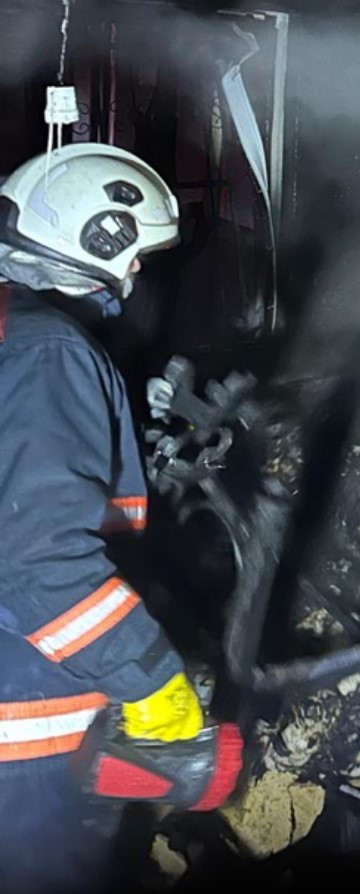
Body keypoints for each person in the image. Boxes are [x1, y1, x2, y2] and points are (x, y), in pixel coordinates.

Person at [0, 143, 239, 893]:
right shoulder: (50, 352)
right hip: (26, 746)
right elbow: (38, 563)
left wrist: (122, 427)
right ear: (90, 242)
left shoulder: (15, 332)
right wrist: (154, 687)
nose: (135, 272)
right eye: (133, 254)